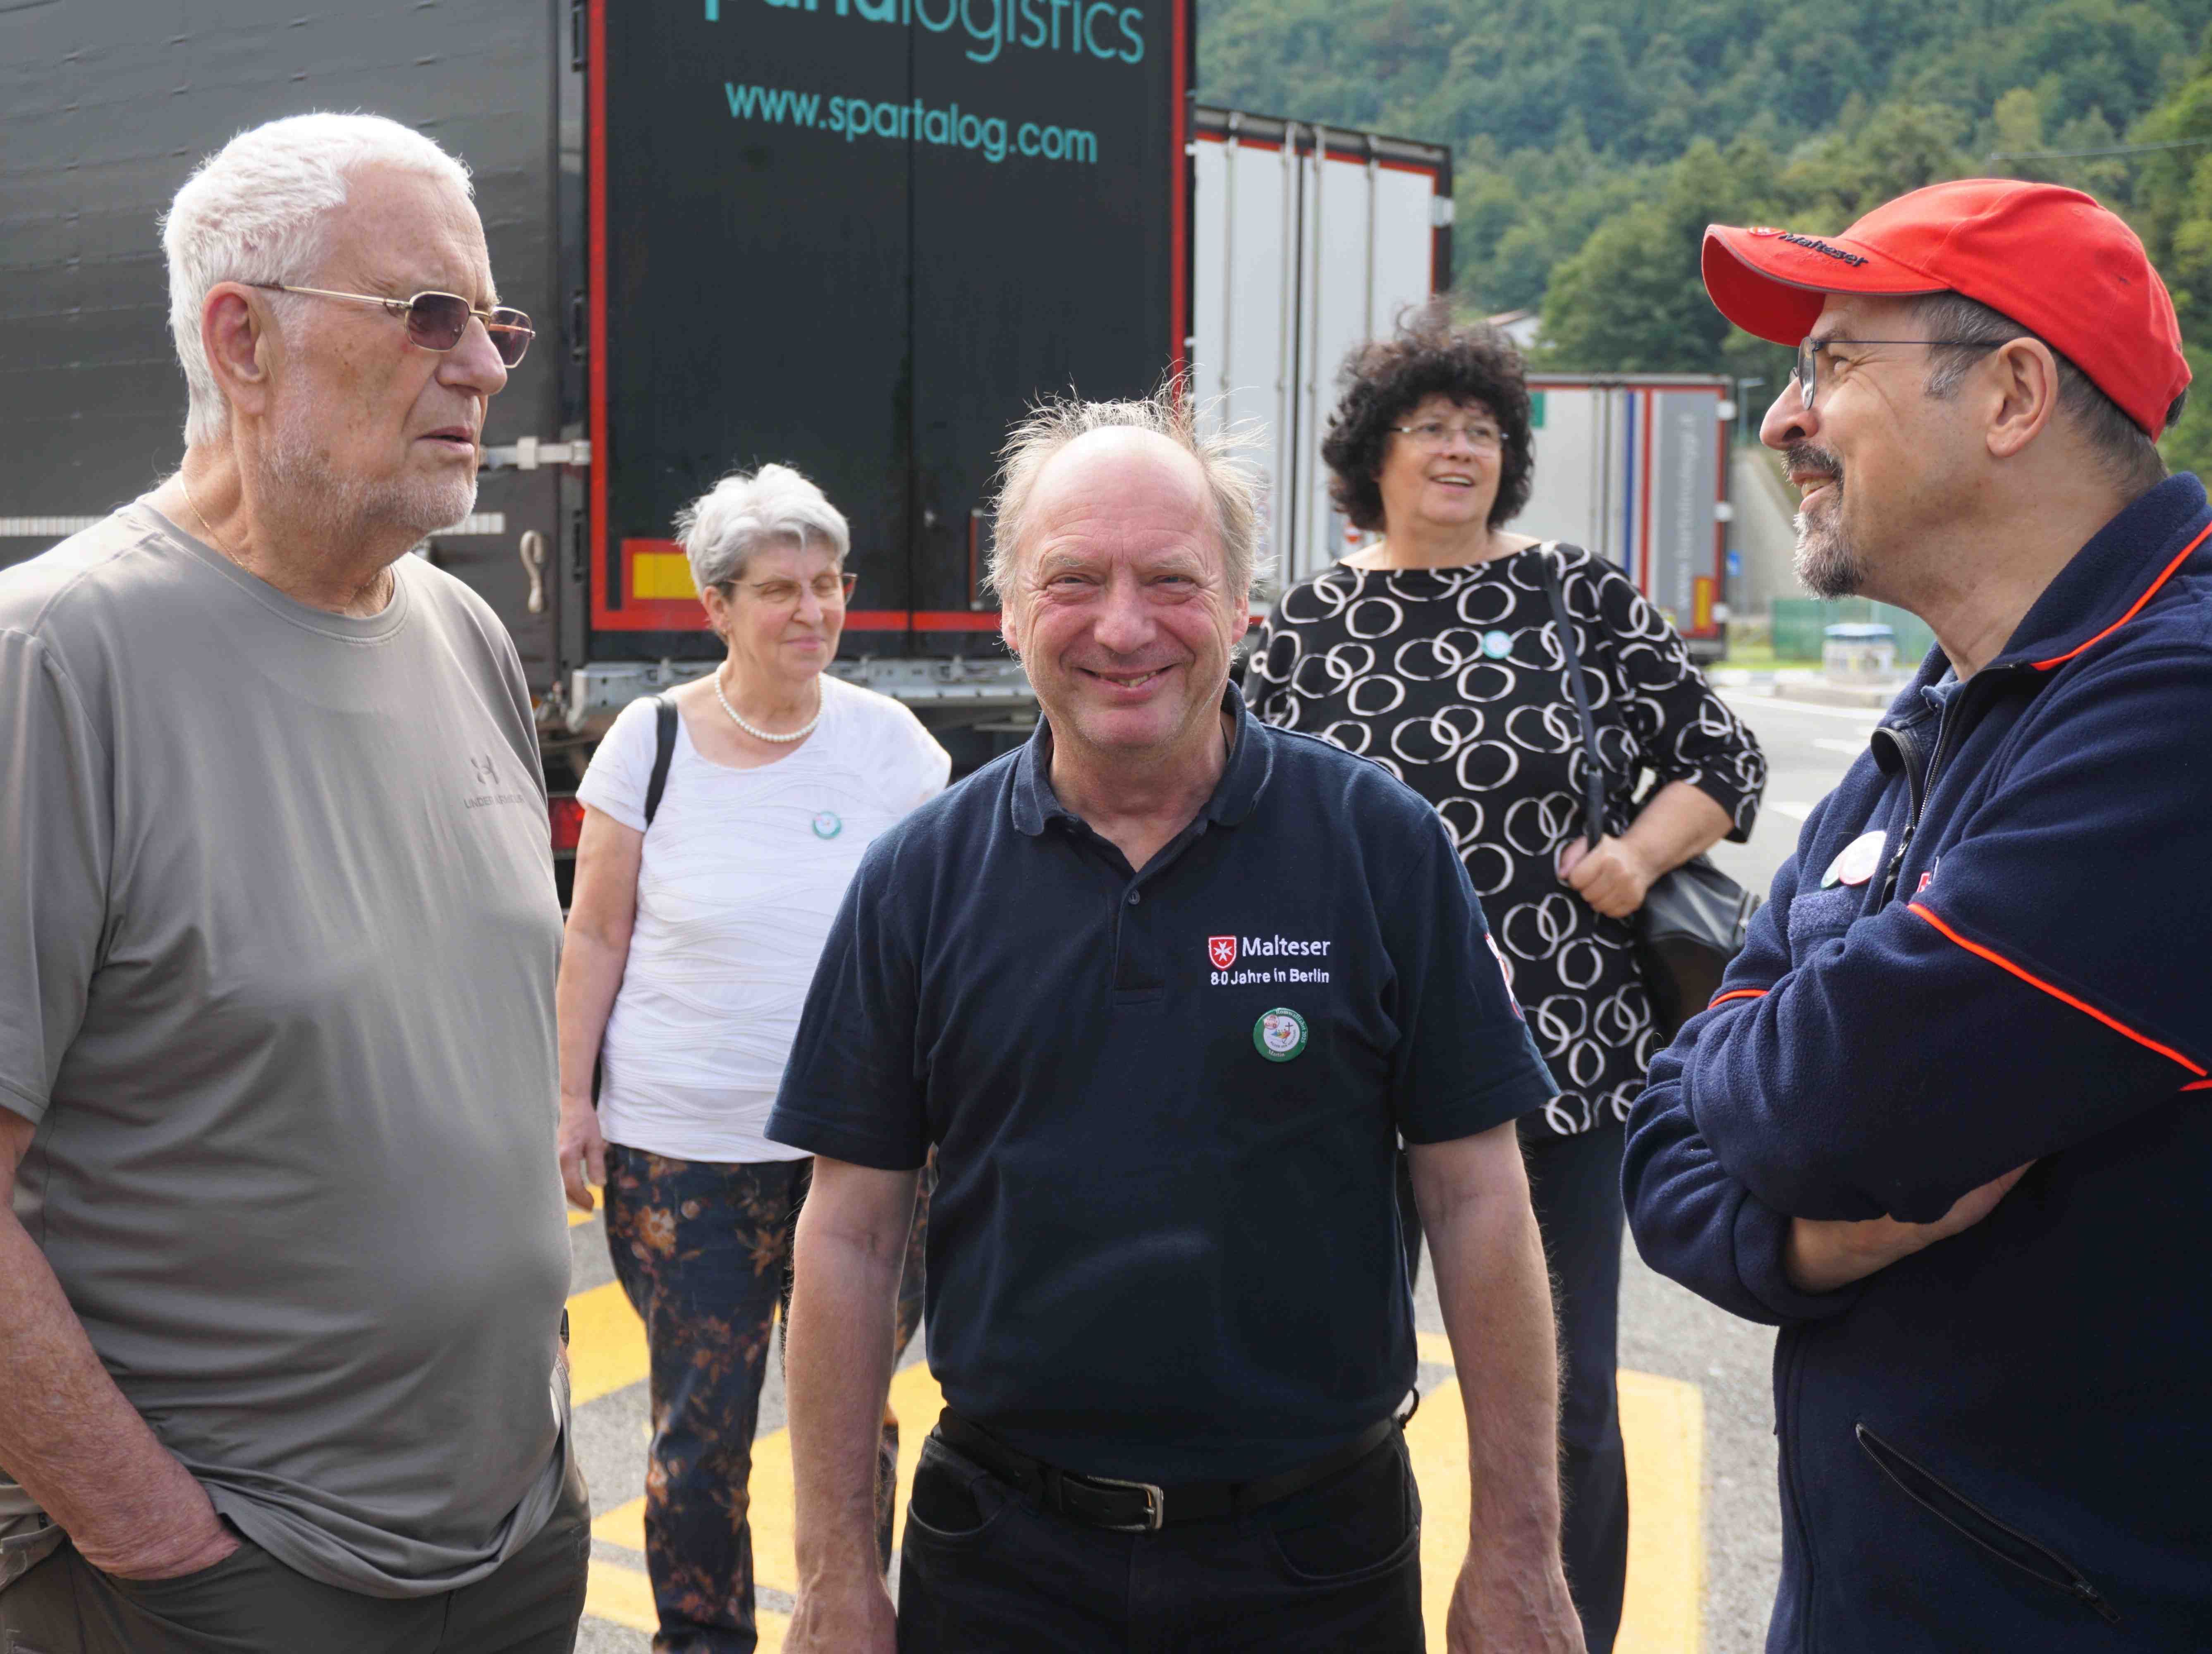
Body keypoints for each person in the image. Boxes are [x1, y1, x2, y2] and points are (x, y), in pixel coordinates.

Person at [769, 388, 1585, 1654]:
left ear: (1245, 606)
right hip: (999, 1565)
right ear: (1006, 612)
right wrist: (833, 1574)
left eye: (1172, 580)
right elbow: (849, 1238)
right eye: (1073, 580)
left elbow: (1480, 1202)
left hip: (1318, 1563)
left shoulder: (1381, 849)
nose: (1124, 626)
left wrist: (1520, 1550)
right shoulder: (918, 879)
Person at [0, 114, 586, 1652]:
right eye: (427, 315)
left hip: (516, 1546)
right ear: (240, 339)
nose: (484, 366)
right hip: (230, 1579)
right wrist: (161, 1545)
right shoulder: (53, 664)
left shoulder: (460, 635)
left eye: (494, 320)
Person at [1623, 178, 2212, 1650]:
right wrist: (1810, 1246)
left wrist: (1779, 1032)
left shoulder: (2181, 708)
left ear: (2013, 393)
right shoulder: (1948, 705)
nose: (1781, 419)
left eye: (1832, 363)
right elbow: (1665, 1143)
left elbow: (1836, 1103)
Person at [1244, 305, 1765, 1651]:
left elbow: (1723, 758)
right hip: (1350, 1071)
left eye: (1483, 431)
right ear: (1375, 455)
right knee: (1331, 1388)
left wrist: (1643, 857)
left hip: (1559, 1065)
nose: (1461, 450)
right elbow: (1234, 815)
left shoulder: (1575, 595)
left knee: (1566, 1400)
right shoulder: (1304, 627)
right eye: (1432, 428)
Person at [555, 464, 948, 1653]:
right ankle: (702, 1640)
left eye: (828, 586)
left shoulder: (893, 748)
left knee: (854, 1421)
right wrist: (570, 1097)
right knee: (699, 1430)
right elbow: (598, 930)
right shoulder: (651, 741)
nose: (813, 612)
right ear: (716, 604)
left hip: (863, 1161)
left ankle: (850, 1624)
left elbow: (948, 936)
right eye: (780, 589)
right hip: (687, 1155)